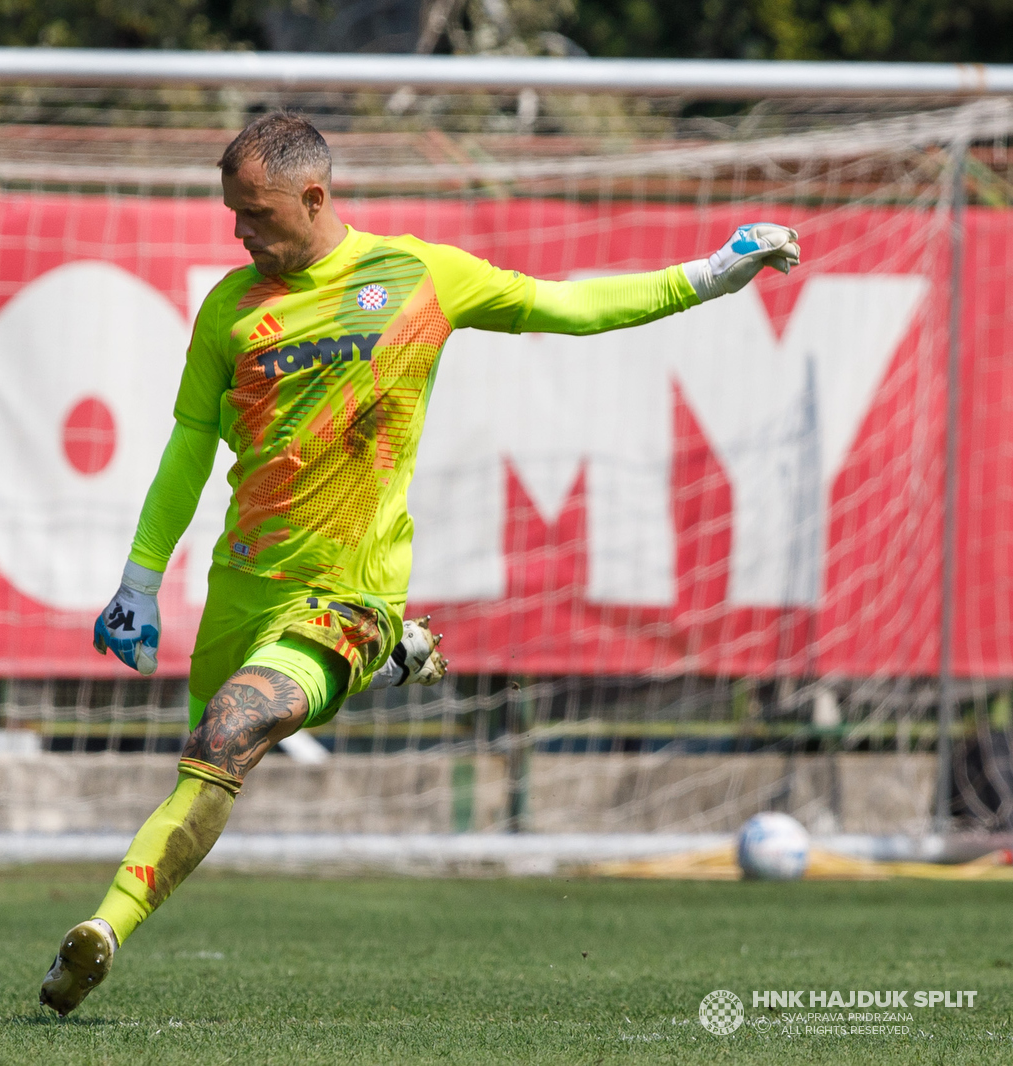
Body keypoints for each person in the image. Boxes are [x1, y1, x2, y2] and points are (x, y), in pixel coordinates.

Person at [40, 111, 800, 1016]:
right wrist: (139, 577)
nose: (238, 232)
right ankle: (101, 937)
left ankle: (106, 927)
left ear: (314, 197)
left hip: (347, 591)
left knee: (231, 728)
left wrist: (714, 275)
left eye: (255, 214)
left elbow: (569, 307)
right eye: (232, 214)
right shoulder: (228, 311)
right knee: (210, 768)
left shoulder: (418, 276)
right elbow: (188, 449)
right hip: (244, 587)